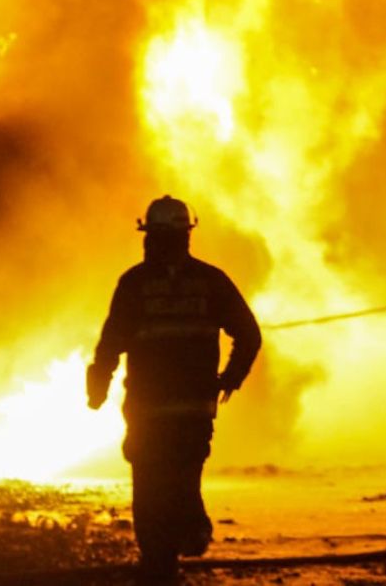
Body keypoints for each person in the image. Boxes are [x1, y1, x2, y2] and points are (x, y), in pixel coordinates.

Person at [87, 195, 261, 583]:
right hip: (194, 412)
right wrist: (229, 379)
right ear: (187, 235)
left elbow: (111, 341)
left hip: (148, 411)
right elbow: (249, 335)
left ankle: (159, 565)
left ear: (149, 236)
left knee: (149, 488)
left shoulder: (134, 283)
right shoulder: (211, 281)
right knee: (184, 477)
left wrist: (98, 386)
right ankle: (187, 534)